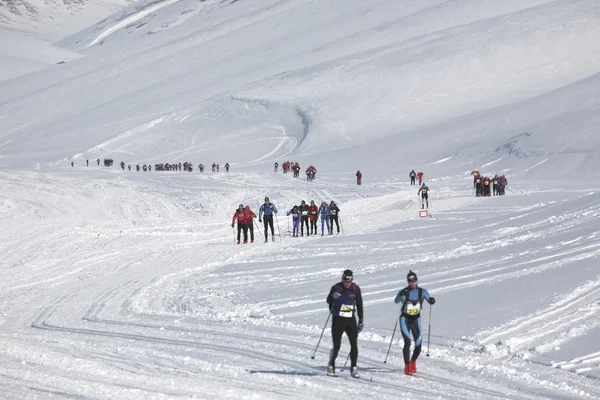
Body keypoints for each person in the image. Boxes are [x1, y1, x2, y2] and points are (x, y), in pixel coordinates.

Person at [394, 270, 435, 375]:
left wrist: (431, 300)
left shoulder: (422, 291)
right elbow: (396, 301)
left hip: (416, 319)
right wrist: (401, 296)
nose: (412, 283)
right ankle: (407, 366)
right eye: (410, 281)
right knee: (407, 342)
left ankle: (413, 362)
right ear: (408, 282)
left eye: (414, 281)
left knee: (418, 344)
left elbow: (428, 298)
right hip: (405, 319)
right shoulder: (405, 291)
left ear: (417, 281)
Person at [326, 269, 363, 378]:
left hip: (350, 319)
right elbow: (328, 300)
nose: (347, 284)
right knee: (337, 346)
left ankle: (354, 367)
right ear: (342, 279)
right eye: (346, 281)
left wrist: (361, 320)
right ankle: (331, 365)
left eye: (349, 282)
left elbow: (360, 304)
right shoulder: (336, 287)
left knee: (354, 344)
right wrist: (333, 296)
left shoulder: (355, 289)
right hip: (338, 320)